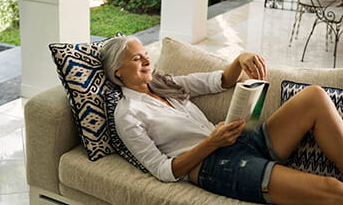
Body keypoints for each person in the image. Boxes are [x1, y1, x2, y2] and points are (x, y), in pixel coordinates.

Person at [99, 35, 343, 204]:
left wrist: (240, 59)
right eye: (136, 59)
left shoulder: (163, 83)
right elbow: (163, 170)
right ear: (117, 71)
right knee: (333, 190)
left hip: (239, 140)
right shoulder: (127, 114)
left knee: (314, 96)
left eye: (145, 54)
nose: (147, 60)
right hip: (215, 166)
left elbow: (219, 81)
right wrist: (212, 143)